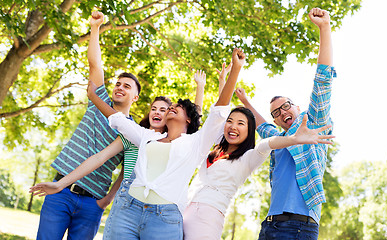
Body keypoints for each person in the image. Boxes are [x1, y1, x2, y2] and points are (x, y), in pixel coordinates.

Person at [82, 48, 245, 239]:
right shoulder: (147, 136)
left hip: (164, 219)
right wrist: (93, 96)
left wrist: (235, 70)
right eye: (172, 107)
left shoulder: (196, 142)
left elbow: (219, 110)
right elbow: (118, 119)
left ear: (189, 120)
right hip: (127, 210)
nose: (173, 107)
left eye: (179, 107)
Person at [34, 11, 141, 239]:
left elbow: (125, 171)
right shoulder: (98, 100)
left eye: (127, 86)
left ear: (135, 97)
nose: (120, 87)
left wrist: (106, 201)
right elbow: (95, 64)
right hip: (60, 191)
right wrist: (95, 28)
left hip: (93, 202)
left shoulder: (132, 131)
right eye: (118, 84)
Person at [238, 8, 336, 239]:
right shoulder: (278, 139)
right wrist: (245, 100)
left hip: (300, 226)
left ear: (297, 108)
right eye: (276, 112)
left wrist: (324, 28)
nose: (283, 112)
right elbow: (261, 124)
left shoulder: (314, 124)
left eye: (286, 106)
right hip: (270, 225)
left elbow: (323, 82)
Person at [183, 106, 334, 239]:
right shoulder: (214, 150)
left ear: (249, 131)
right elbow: (210, 119)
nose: (233, 126)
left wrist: (293, 139)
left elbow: (266, 144)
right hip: (183, 209)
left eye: (241, 123)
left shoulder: (247, 158)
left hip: (207, 217)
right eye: (230, 121)